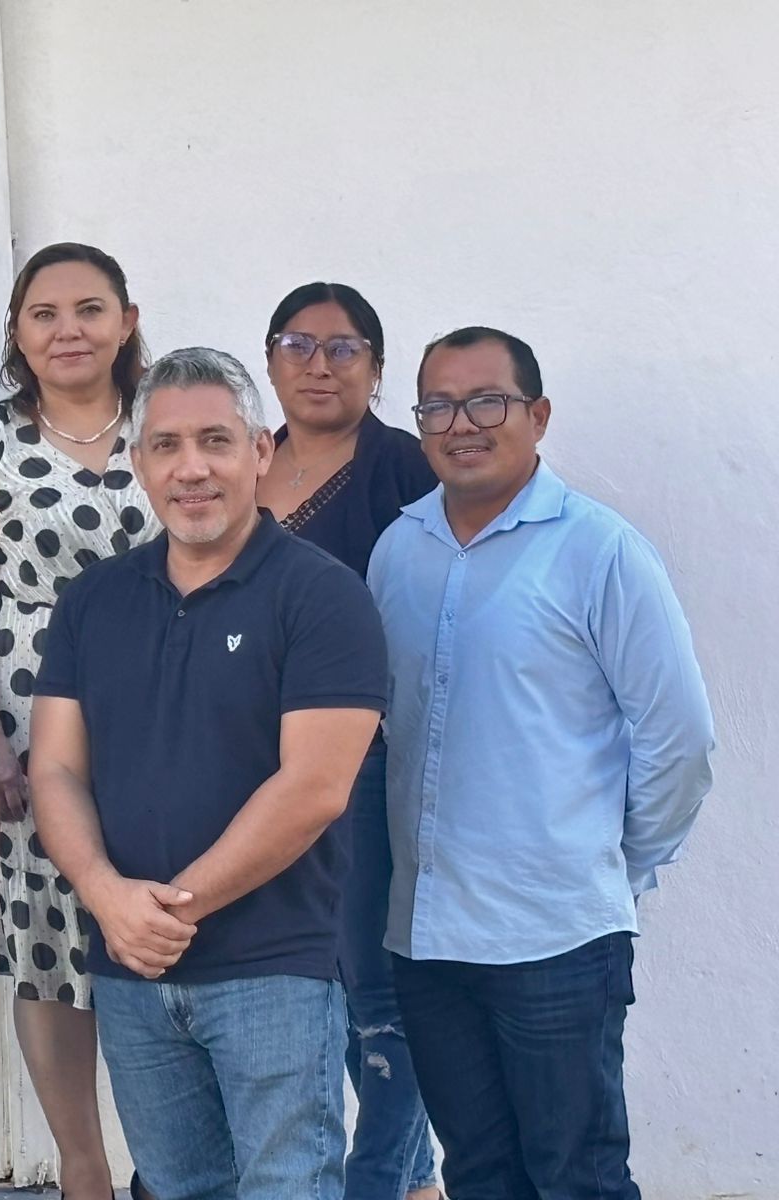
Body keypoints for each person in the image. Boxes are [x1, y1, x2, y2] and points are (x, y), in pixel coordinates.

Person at [31, 347, 389, 1200]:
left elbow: (313, 789)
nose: (191, 468)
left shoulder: (323, 596)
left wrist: (168, 912)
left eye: (215, 442)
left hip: (273, 969)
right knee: (178, 1188)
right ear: (137, 462)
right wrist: (109, 898)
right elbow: (55, 767)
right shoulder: (94, 601)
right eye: (166, 446)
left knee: (287, 1188)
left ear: (260, 451)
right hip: (132, 970)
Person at [368, 327, 715, 1199]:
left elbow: (679, 737)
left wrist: (611, 862)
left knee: (577, 1178)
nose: (462, 424)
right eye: (438, 406)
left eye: (487, 401)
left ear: (539, 415)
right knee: (479, 1174)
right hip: (427, 936)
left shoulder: (600, 550)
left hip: (556, 938)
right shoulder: (398, 549)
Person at [0, 242, 156, 1198]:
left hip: (166, 709)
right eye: (45, 314)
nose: (69, 330)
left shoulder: (169, 420)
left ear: (126, 321)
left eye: (90, 309)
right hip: (31, 724)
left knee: (161, 918)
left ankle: (172, 1165)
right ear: (18, 334)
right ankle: (84, 1166)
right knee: (50, 944)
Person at [258, 283, 439, 1200]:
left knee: (375, 982)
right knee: (312, 979)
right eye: (298, 345)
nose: (319, 366)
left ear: (376, 366)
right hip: (260, 764)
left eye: (343, 348)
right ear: (269, 360)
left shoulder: (402, 466)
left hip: (370, 758)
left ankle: (377, 1181)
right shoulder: (249, 460)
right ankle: (418, 1183)